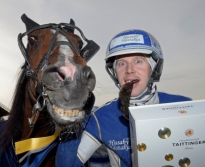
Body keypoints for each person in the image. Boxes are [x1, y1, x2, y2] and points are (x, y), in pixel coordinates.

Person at [55, 29, 191, 167]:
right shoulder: (102, 117)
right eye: (121, 63)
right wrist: (71, 119)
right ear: (114, 73)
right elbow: (68, 164)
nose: (129, 70)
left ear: (153, 68)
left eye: (138, 61)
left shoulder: (185, 106)